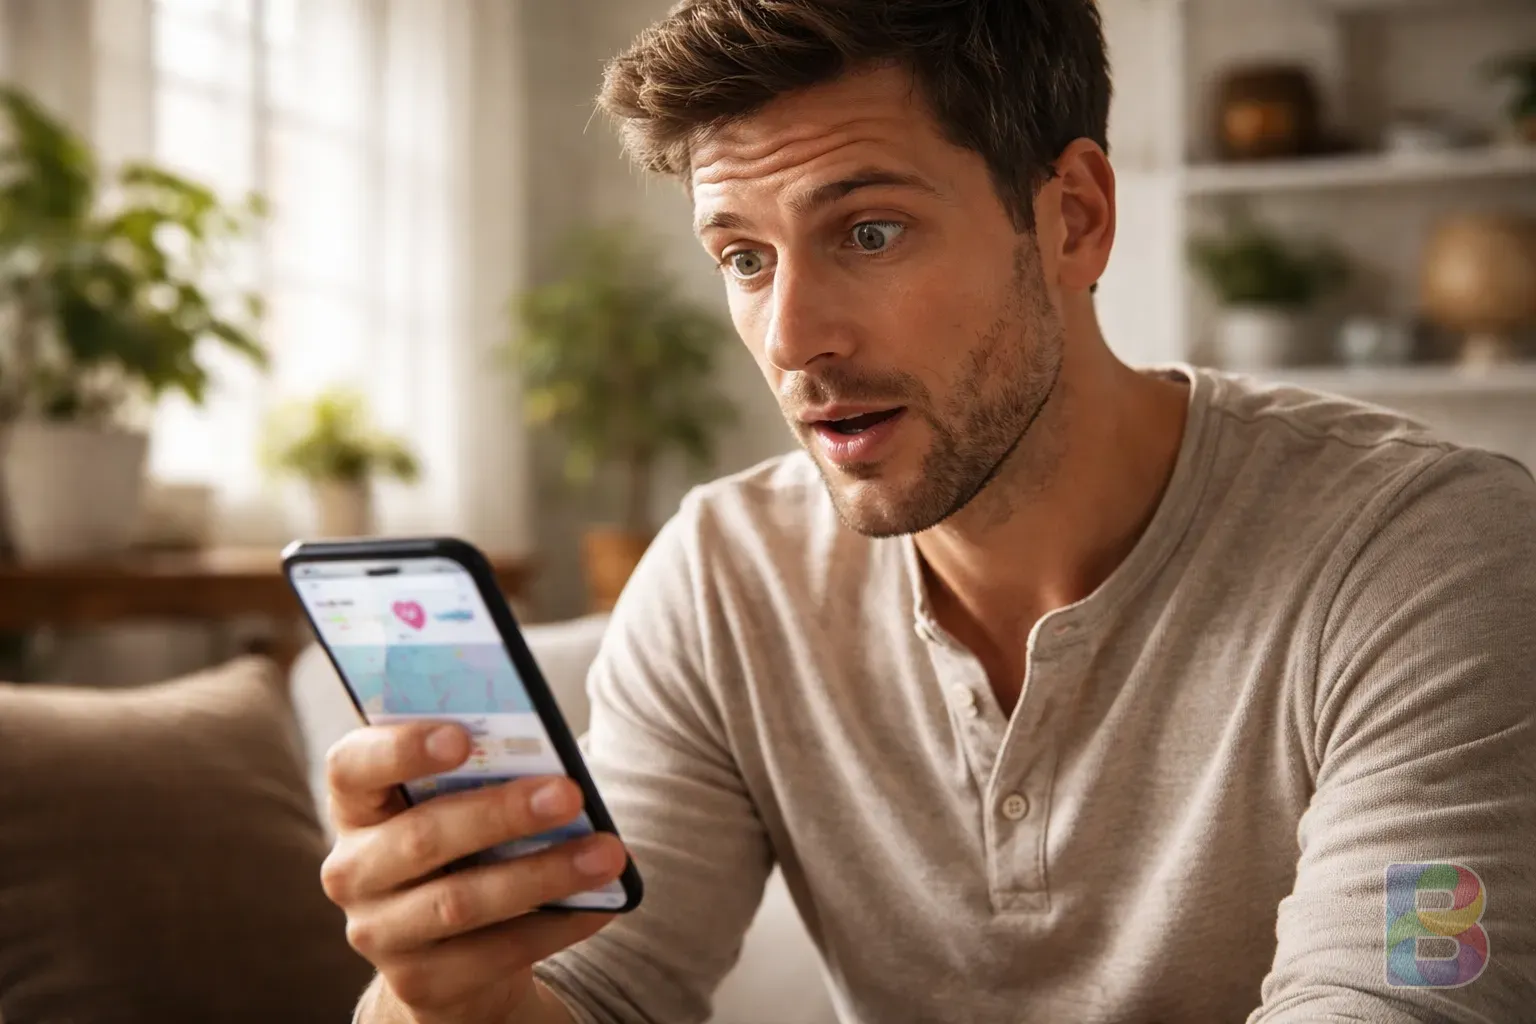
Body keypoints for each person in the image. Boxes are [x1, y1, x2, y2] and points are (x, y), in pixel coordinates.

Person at [319, 2, 1536, 1022]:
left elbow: (1410, 997)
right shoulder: (721, 576)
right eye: (743, 257)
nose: (793, 337)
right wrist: (445, 995)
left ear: (1074, 218)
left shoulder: (1425, 553)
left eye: (870, 230)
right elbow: (598, 991)